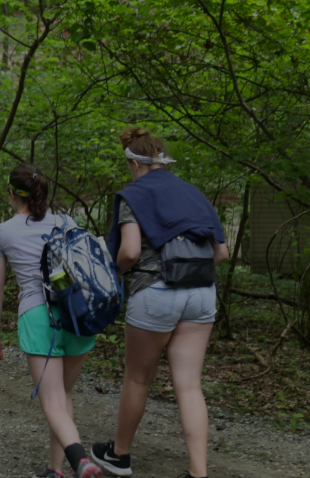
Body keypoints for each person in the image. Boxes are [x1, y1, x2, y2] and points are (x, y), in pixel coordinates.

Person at [90, 127, 229, 478]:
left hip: (155, 293)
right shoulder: (194, 193)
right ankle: (198, 472)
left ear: (134, 164)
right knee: (189, 384)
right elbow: (221, 253)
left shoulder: (133, 195)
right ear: (162, 160)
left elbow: (130, 251)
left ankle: (119, 456)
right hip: (201, 294)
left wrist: (116, 274)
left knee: (138, 379)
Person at [0, 163, 102, 478]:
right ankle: (55, 470)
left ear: (12, 194)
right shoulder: (66, 222)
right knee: (63, 396)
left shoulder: (3, 232)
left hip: (39, 317)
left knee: (51, 401)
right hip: (77, 315)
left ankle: (81, 462)